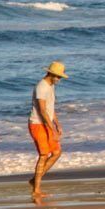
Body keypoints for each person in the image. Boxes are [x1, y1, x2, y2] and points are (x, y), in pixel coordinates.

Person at [29, 61, 66, 200]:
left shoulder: (51, 86)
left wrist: (57, 123)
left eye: (60, 77)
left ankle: (35, 180)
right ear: (50, 74)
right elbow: (42, 111)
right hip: (38, 123)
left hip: (47, 123)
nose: (59, 79)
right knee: (44, 155)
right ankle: (36, 190)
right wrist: (52, 129)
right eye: (58, 76)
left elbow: (51, 109)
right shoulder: (42, 87)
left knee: (57, 152)